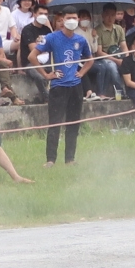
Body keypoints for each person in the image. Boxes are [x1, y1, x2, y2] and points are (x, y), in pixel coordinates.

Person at [37, 9, 92, 166]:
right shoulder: (52, 38)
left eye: (74, 18)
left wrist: (81, 73)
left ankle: (70, 159)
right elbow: (32, 56)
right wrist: (47, 75)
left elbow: (90, 60)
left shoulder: (81, 40)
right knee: (55, 123)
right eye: (69, 18)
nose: (72, 21)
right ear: (62, 19)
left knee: (73, 123)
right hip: (58, 86)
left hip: (75, 86)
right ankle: (50, 160)